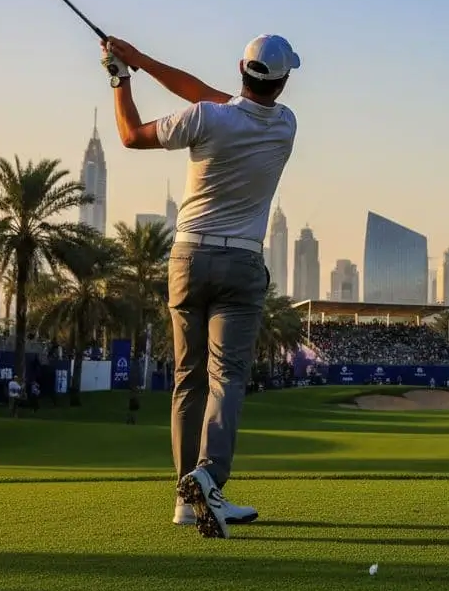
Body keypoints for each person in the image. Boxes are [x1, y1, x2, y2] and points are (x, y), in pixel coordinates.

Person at [102, 34, 300, 539]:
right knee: (226, 378)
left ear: (242, 68)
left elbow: (130, 134)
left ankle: (184, 502)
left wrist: (123, 77)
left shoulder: (205, 119)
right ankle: (208, 477)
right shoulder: (284, 125)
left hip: (187, 259)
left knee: (187, 379)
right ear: (282, 81)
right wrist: (140, 60)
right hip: (240, 264)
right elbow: (204, 92)